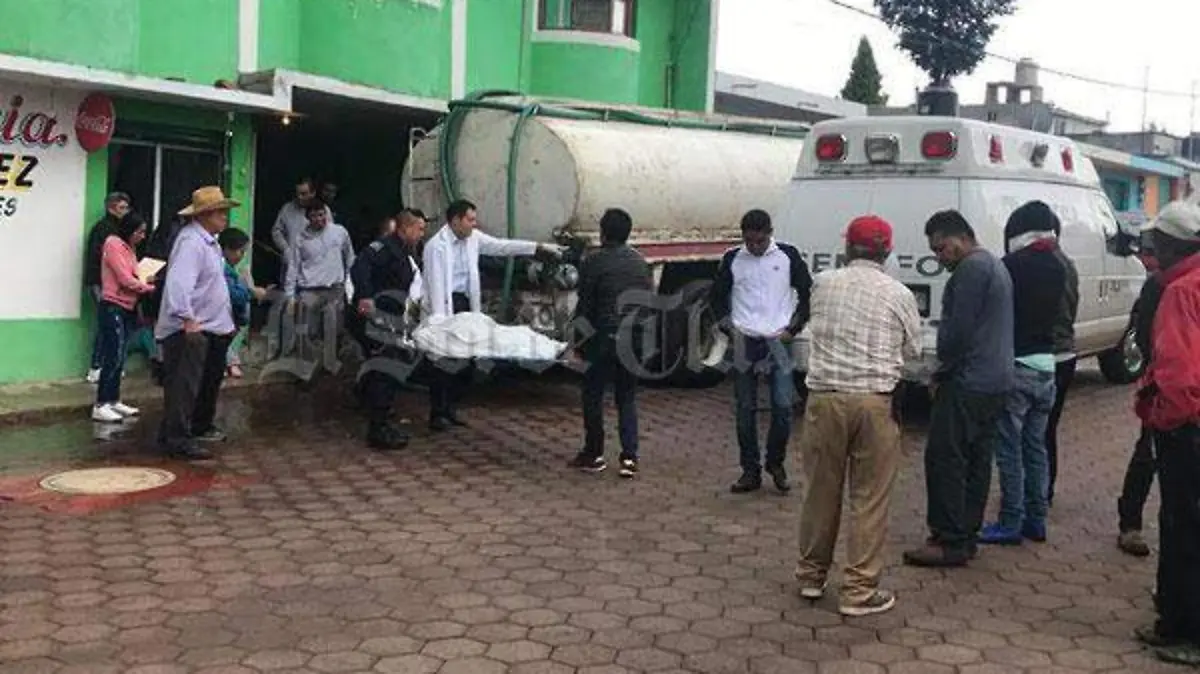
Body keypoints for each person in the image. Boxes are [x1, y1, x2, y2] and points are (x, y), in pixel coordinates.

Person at [794, 215, 920, 617]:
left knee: (819, 492)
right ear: (887, 251)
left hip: (824, 399)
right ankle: (859, 590)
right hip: (874, 402)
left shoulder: (822, 284)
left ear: (847, 247)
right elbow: (914, 349)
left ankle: (811, 575)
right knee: (869, 499)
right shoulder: (899, 293)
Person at [904, 210, 1013, 568]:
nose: (939, 257)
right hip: (995, 380)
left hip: (967, 380)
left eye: (942, 248)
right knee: (977, 461)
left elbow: (958, 333)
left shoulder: (970, 270)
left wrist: (940, 372)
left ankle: (948, 538)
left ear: (962, 238)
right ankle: (966, 535)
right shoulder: (994, 265)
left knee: (946, 458)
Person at [421, 198, 564, 431]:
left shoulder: (473, 239)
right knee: (443, 359)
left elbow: (501, 246)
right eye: (470, 220)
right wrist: (440, 323)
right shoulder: (436, 246)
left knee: (466, 359)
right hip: (445, 306)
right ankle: (438, 413)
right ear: (455, 220)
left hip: (466, 304)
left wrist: (537, 247)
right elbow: (436, 285)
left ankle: (451, 409)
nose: (474, 224)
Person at [1133, 201, 1200, 667]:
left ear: (1173, 244)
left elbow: (1178, 373)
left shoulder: (1180, 291)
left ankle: (1188, 631)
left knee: (1184, 530)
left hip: (1186, 429)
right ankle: (1174, 621)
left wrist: (1166, 419)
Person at [978, 201, 1068, 545]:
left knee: (1008, 449)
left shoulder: (1011, 266)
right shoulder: (1058, 266)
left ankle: (1010, 521)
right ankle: (1036, 519)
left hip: (1017, 365)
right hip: (1047, 367)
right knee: (1036, 447)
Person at [708, 209, 812, 495]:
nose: (754, 247)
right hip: (745, 340)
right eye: (749, 241)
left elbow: (807, 294)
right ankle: (749, 469)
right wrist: (728, 328)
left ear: (770, 234)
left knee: (782, 405)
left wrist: (794, 328)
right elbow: (716, 297)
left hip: (778, 340)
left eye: (760, 241)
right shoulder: (733, 258)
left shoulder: (788, 256)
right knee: (745, 408)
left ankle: (775, 462)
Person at [566, 208, 652, 478]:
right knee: (626, 396)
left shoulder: (594, 263)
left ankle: (594, 453)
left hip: (603, 338)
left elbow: (586, 307)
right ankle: (629, 457)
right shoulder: (640, 263)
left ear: (603, 233)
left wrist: (578, 343)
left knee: (593, 394)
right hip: (633, 338)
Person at [154, 186, 239, 461]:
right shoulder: (191, 242)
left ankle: (187, 429)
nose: (224, 217)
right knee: (184, 385)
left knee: (201, 383)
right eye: (219, 212)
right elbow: (179, 284)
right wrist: (187, 317)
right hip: (190, 327)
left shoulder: (209, 242)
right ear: (204, 215)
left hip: (211, 325)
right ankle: (177, 438)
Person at [350, 209, 428, 450]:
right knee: (386, 369)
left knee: (384, 369)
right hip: (377, 319)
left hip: (392, 319)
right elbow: (359, 267)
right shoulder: (384, 248)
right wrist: (365, 297)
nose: (422, 234)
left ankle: (375, 412)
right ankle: (378, 428)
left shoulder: (405, 253)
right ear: (405, 228)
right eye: (419, 229)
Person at [1117, 270, 1163, 557]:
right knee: (1148, 454)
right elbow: (1145, 336)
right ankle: (1130, 522)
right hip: (1167, 386)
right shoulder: (1161, 284)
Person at [92, 211, 154, 423]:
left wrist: (146, 278)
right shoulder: (113, 244)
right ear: (129, 229)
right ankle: (101, 403)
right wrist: (147, 288)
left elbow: (135, 274)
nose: (142, 236)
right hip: (113, 305)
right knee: (113, 354)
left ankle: (113, 399)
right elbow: (124, 278)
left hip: (128, 306)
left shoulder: (130, 249)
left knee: (121, 355)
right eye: (139, 232)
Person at [284, 200, 355, 364]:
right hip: (309, 292)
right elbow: (293, 266)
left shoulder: (339, 232)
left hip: (335, 290)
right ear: (308, 218)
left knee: (335, 330)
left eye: (322, 214)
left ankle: (330, 366)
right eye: (314, 216)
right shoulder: (300, 238)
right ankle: (310, 366)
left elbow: (350, 258)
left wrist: (350, 285)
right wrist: (290, 295)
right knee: (309, 331)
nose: (319, 219)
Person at [1045, 219, 1080, 507]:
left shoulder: (1043, 265)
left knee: (1035, 431)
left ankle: (1037, 490)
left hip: (1046, 354)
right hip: (1065, 353)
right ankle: (1045, 489)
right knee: (1048, 429)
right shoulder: (1068, 264)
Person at [83, 191, 132, 383]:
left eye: (126, 207)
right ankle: (97, 366)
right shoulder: (105, 229)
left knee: (111, 325)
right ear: (111, 208)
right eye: (121, 207)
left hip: (107, 283)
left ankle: (107, 365)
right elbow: (102, 260)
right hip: (100, 283)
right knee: (107, 324)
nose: (125, 211)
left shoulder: (116, 229)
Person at [219, 228, 269, 379]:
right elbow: (233, 296)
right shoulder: (223, 270)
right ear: (227, 249)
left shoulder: (230, 269)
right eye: (240, 251)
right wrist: (250, 290)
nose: (242, 256)